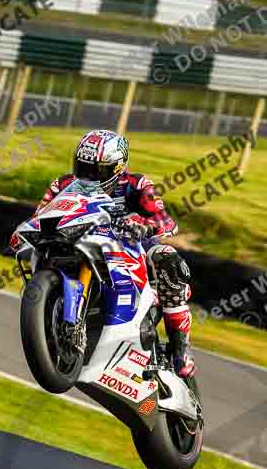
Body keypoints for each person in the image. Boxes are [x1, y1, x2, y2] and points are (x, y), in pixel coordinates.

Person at [33, 129, 195, 377]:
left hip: (129, 243)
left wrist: (145, 225)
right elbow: (40, 215)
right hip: (79, 238)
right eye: (83, 167)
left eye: (97, 170)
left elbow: (165, 220)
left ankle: (179, 350)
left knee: (167, 259)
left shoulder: (136, 184)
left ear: (117, 168)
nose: (89, 176)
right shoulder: (62, 184)